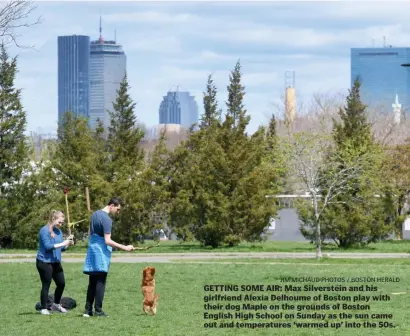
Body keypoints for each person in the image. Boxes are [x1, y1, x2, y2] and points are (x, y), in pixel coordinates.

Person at [83, 197, 135, 317]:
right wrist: (125, 247)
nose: (118, 212)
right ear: (111, 205)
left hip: (92, 249)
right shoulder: (106, 219)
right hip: (101, 251)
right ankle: (99, 310)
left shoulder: (95, 214)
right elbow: (107, 240)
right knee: (100, 282)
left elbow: (91, 234)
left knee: (92, 282)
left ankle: (87, 310)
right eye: (118, 209)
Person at [36, 210, 74, 315]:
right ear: (53, 219)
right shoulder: (44, 230)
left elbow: (60, 249)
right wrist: (63, 242)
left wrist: (67, 245)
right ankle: (43, 308)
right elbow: (48, 247)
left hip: (55, 262)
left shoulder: (58, 232)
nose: (61, 225)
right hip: (44, 262)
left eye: (62, 223)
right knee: (46, 284)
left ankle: (56, 304)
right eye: (60, 222)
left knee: (61, 283)